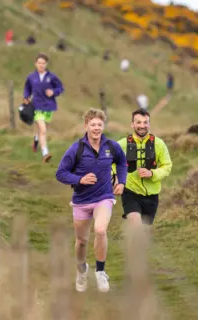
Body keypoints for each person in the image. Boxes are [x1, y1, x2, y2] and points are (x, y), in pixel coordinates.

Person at [55, 108, 127, 293]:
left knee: (100, 230)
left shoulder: (111, 146)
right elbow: (60, 173)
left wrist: (121, 182)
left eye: (99, 125)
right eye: (93, 124)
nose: (96, 128)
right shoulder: (76, 149)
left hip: (104, 197)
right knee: (81, 241)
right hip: (81, 201)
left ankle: (101, 272)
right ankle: (81, 270)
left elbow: (121, 162)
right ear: (86, 125)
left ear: (104, 126)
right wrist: (79, 180)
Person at [114, 108, 172, 227]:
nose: (142, 125)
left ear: (149, 124)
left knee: (143, 234)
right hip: (130, 192)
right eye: (138, 122)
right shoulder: (122, 144)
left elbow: (167, 166)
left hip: (152, 196)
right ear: (132, 124)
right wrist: (116, 177)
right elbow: (110, 162)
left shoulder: (159, 144)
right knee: (136, 226)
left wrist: (152, 174)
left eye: (145, 122)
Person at [23, 53, 64, 163]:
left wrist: (53, 92)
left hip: (49, 107)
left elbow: (60, 87)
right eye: (39, 63)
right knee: (43, 130)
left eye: (43, 63)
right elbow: (27, 88)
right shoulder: (31, 77)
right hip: (36, 106)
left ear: (46, 64)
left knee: (42, 130)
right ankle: (45, 153)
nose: (41, 65)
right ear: (35, 64)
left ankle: (36, 141)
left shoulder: (52, 77)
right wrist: (26, 97)